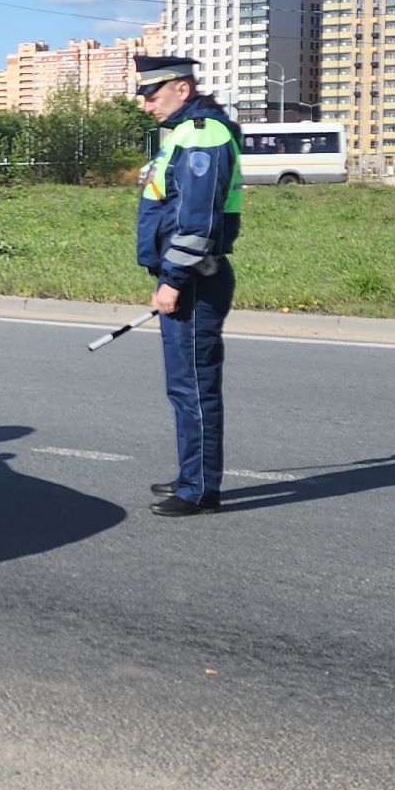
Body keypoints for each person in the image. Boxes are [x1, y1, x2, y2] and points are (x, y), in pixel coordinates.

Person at [133, 55, 242, 517]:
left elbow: (197, 220)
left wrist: (173, 279)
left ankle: (199, 490)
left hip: (195, 279)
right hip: (184, 277)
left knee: (193, 387)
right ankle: (190, 475)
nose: (146, 106)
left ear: (181, 88)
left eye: (152, 96)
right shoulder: (184, 133)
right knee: (184, 387)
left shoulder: (203, 134)